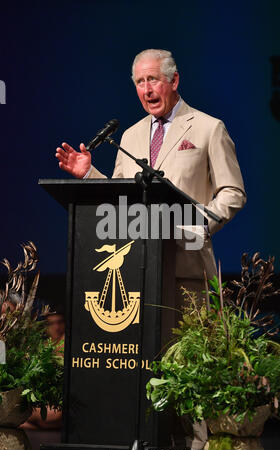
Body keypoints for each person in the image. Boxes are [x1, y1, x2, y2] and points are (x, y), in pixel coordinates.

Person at [55, 48, 246, 308]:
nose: (147, 90)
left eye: (153, 79)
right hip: (136, 269)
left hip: (187, 269)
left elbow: (232, 192)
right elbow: (120, 197)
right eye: (139, 82)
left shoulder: (209, 128)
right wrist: (89, 174)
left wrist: (199, 228)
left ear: (174, 80)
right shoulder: (130, 136)